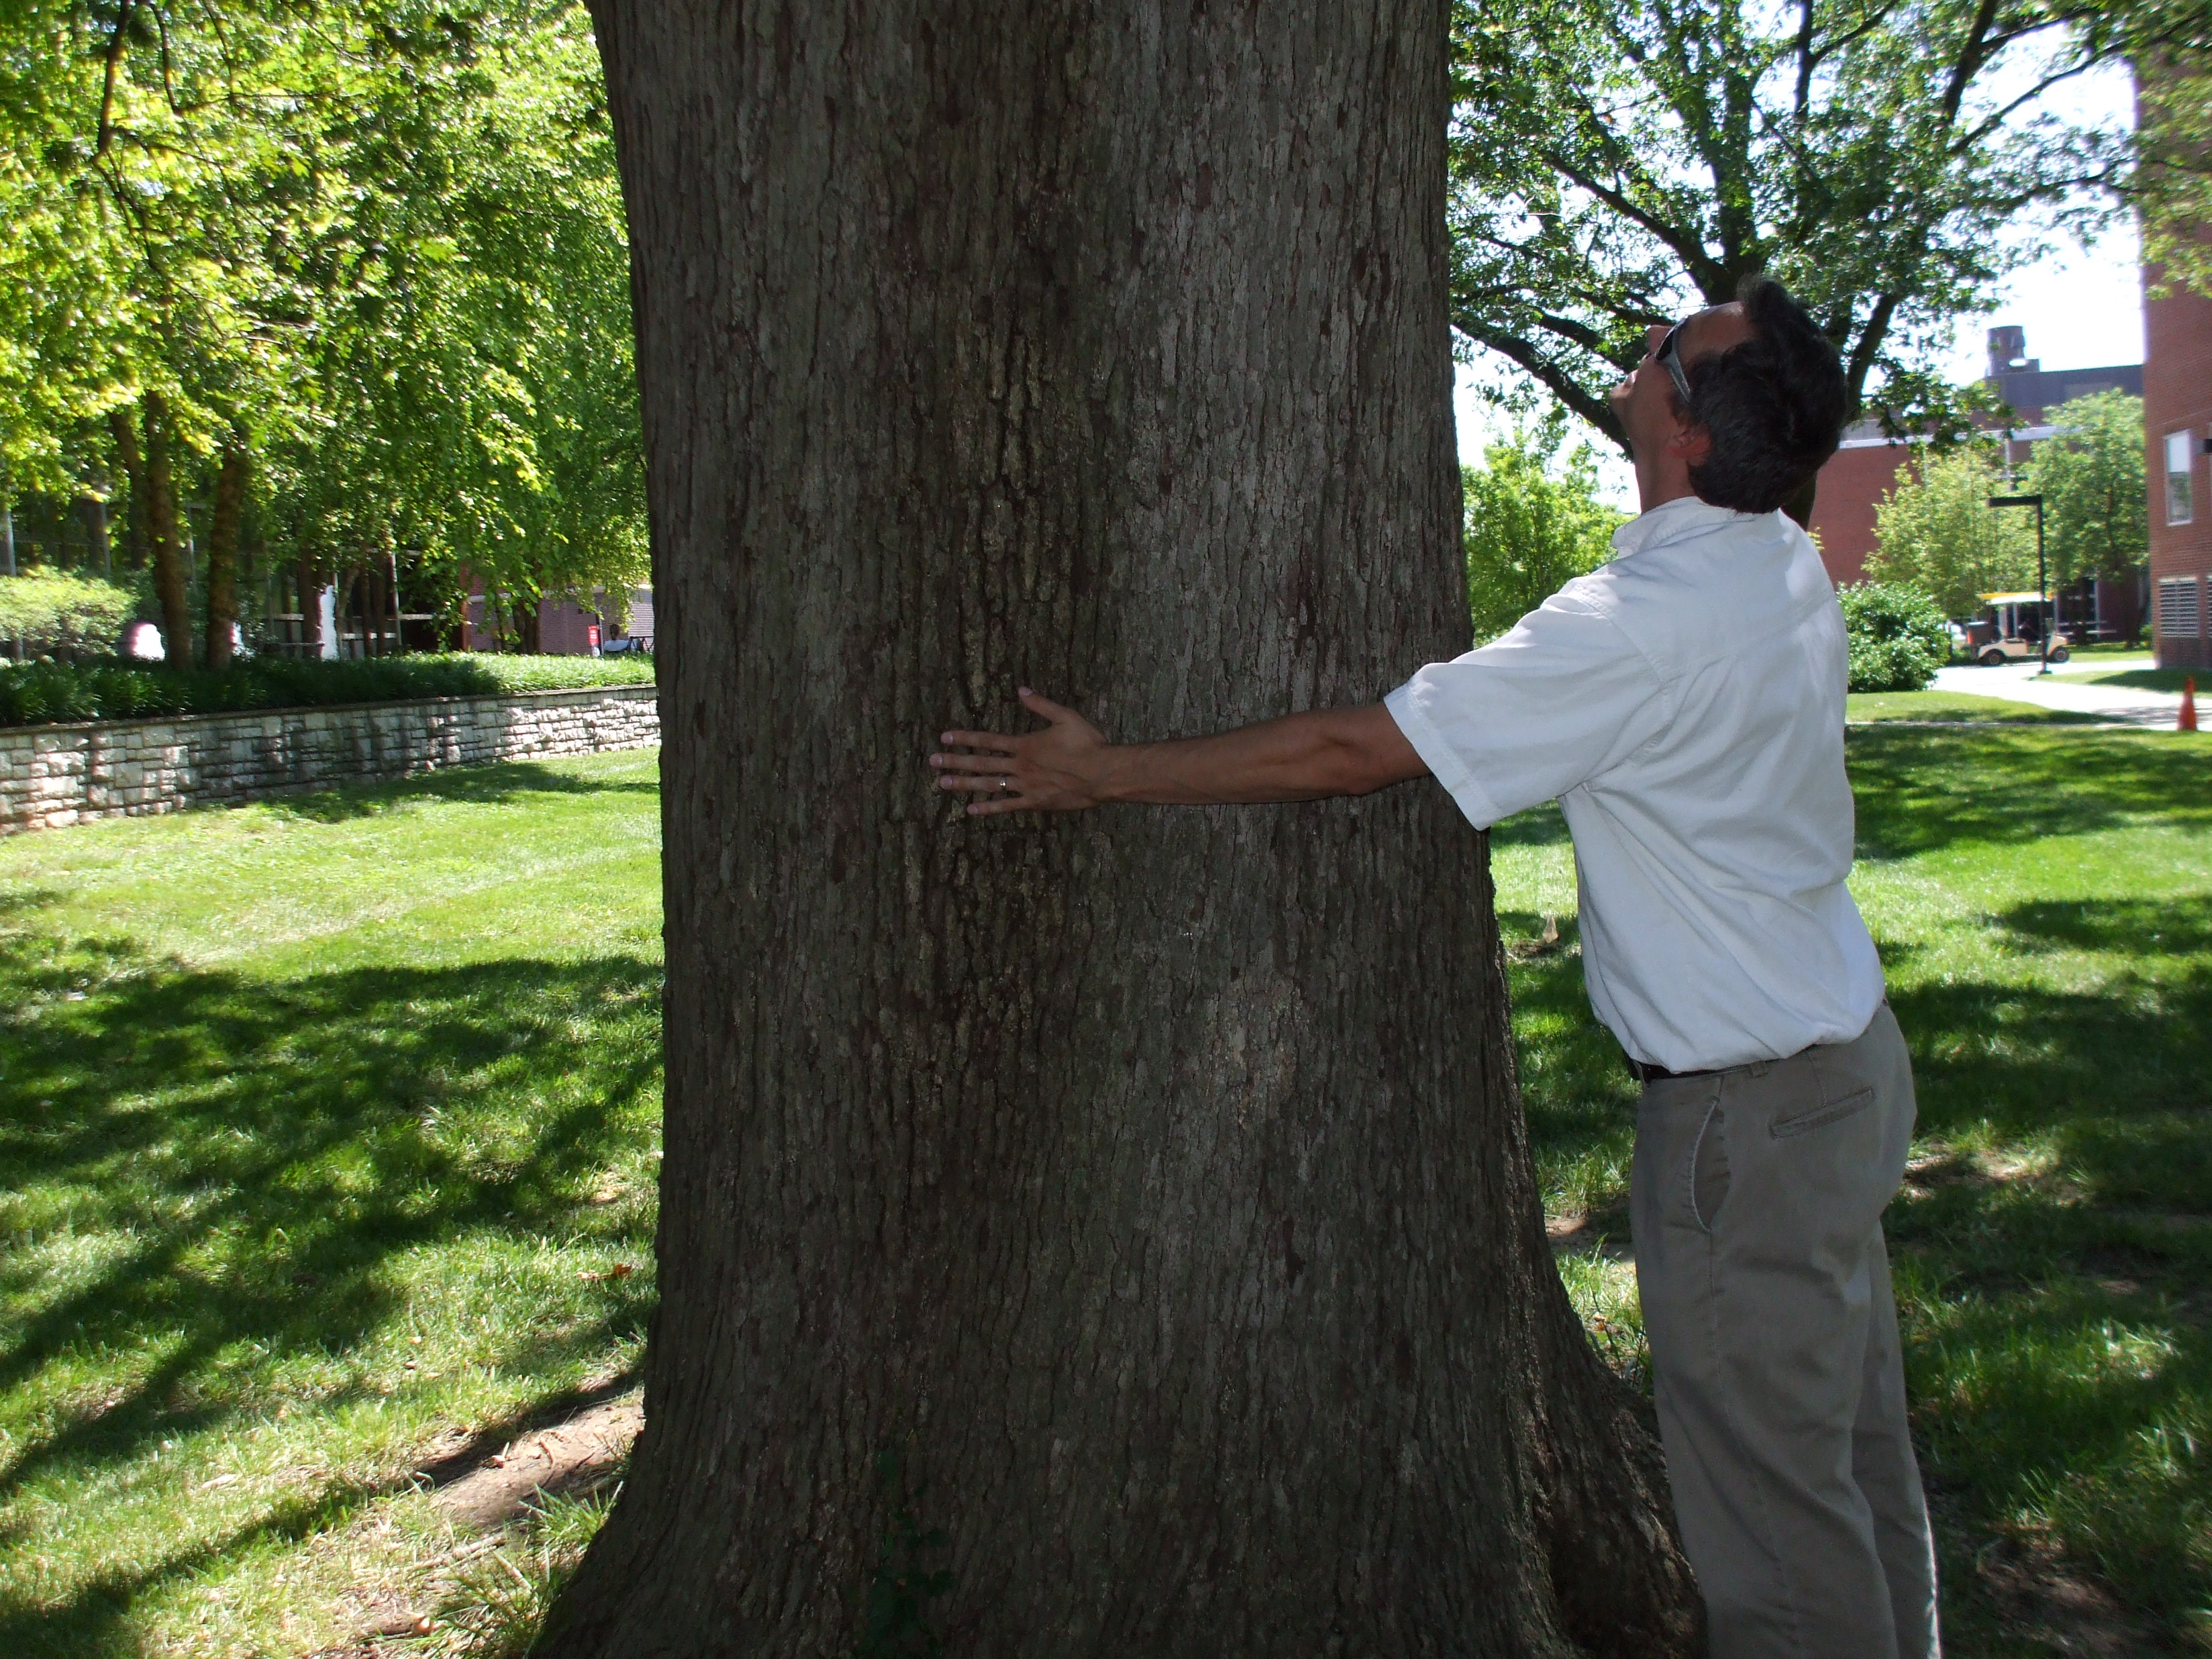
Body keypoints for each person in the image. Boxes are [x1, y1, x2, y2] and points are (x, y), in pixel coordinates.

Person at [925, 274, 1938, 1659]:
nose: (1638, 356)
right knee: (1850, 1465)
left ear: (1689, 435)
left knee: (1772, 1526)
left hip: (1745, 1131)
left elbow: (1354, 753)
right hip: (1842, 1079)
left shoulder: (1640, 628)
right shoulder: (1768, 561)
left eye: (1663, 354)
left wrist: (1104, 776)